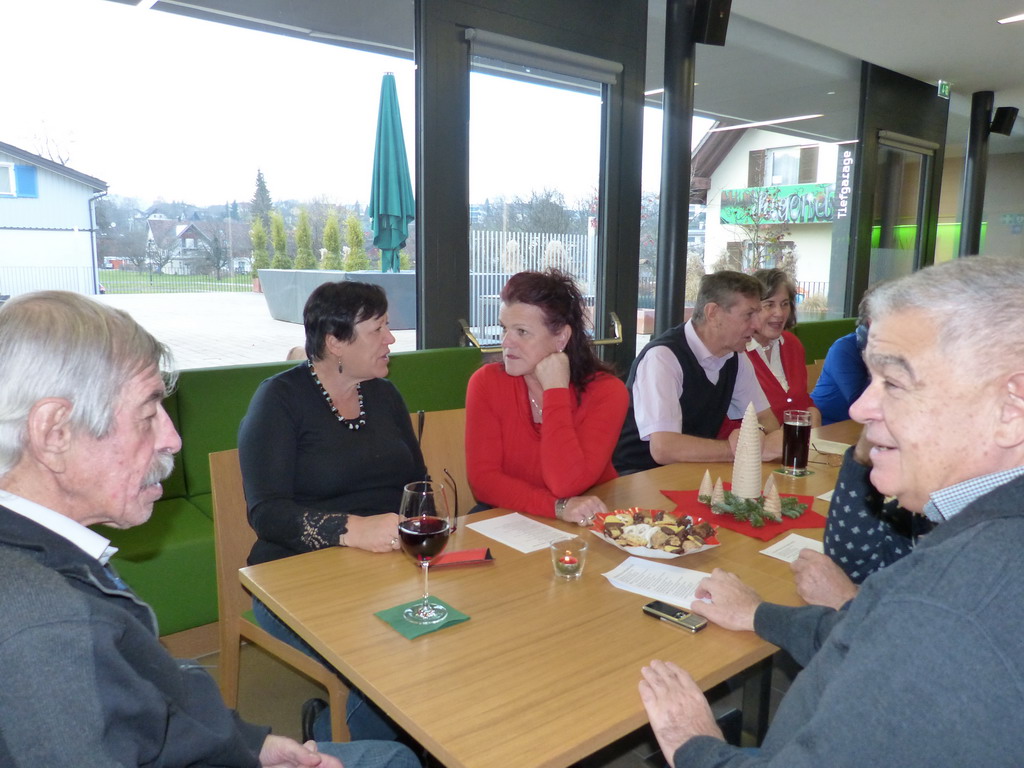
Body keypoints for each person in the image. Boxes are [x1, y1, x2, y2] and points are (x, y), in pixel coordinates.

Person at [0, 291, 418, 768]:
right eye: (147, 414)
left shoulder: (59, 561)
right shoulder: (49, 624)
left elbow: (155, 700)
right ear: (54, 432)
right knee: (394, 754)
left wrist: (251, 745)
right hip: (297, 577)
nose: (173, 439)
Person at [639, 254, 1024, 766]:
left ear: (1011, 409)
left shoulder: (945, 608)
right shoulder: (973, 548)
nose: (861, 407)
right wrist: (760, 614)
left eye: (894, 382)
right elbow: (868, 635)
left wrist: (693, 742)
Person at [238, 280, 426, 742]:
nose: (391, 339)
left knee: (449, 636)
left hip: (385, 567)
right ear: (335, 341)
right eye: (378, 329)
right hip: (295, 573)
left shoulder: (385, 395)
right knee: (378, 662)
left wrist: (422, 539)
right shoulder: (279, 400)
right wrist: (350, 529)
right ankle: (333, 733)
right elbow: (267, 513)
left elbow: (417, 486)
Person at [466, 269, 628, 523]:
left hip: (588, 518)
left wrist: (555, 389)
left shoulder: (607, 392)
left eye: (521, 332)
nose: (506, 342)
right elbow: (483, 482)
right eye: (504, 328)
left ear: (561, 337)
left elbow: (566, 483)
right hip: (510, 518)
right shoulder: (486, 383)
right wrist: (556, 507)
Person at [614, 270, 782, 474]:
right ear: (713, 313)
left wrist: (758, 434)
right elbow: (663, 448)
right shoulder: (663, 358)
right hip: (636, 476)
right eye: (749, 314)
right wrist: (743, 449)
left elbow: (766, 420)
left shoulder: (735, 357)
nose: (757, 324)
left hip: (692, 472)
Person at [792, 428, 934, 610]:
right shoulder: (921, 507)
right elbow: (855, 568)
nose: (856, 413)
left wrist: (846, 600)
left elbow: (931, 620)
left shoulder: (969, 525)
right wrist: (862, 459)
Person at [740, 268, 820, 427]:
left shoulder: (792, 344)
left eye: (784, 304)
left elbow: (802, 401)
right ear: (751, 309)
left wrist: (813, 413)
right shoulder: (737, 351)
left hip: (793, 438)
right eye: (769, 305)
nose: (780, 313)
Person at [810, 291, 871, 425]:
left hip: (857, 428)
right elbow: (863, 405)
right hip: (825, 428)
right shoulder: (845, 348)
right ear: (871, 320)